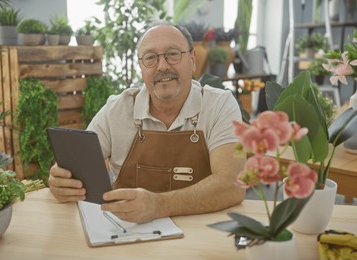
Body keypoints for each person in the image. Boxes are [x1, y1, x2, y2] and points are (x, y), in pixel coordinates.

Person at [48, 21, 245, 224]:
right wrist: (62, 182)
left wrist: (158, 205)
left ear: (192, 60)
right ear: (141, 67)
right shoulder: (116, 109)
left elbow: (232, 185)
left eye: (173, 54)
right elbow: (78, 169)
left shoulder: (220, 105)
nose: (162, 66)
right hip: (127, 234)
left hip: (199, 236)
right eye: (150, 58)